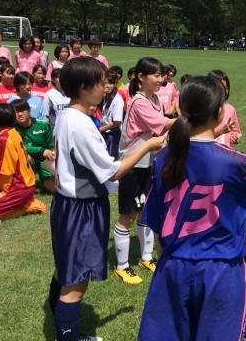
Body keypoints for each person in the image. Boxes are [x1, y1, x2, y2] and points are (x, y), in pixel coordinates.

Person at [137, 76, 246, 341]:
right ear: (219, 112)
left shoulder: (165, 158)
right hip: (222, 272)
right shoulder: (233, 163)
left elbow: (157, 222)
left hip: (173, 267)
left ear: (181, 111)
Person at [48, 57, 165, 341]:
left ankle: (61, 325)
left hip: (66, 205)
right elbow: (112, 173)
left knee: (64, 270)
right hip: (81, 209)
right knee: (76, 283)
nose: (107, 87)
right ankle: (69, 337)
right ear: (85, 87)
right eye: (101, 82)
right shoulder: (81, 125)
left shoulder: (67, 115)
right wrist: (147, 145)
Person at [113, 57, 174, 284]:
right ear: (141, 77)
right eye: (156, 75)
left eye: (162, 75)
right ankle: (121, 265)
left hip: (148, 163)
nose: (161, 79)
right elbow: (164, 124)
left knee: (145, 212)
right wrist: (191, 119)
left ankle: (145, 257)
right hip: (132, 165)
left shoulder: (156, 99)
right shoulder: (139, 102)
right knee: (127, 216)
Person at [0, 103, 46, 220]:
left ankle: (28, 206)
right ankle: (25, 201)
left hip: (20, 188)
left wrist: (4, 191)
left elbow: (7, 168)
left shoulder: (3, 139)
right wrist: (0, 187)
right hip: (24, 185)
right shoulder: (12, 131)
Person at [10, 98, 56, 194]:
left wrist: (53, 163)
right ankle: (24, 180)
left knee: (55, 189)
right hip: (29, 158)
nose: (20, 114)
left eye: (22, 110)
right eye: (16, 112)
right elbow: (19, 146)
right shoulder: (12, 129)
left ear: (29, 111)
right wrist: (40, 150)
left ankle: (46, 179)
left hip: (46, 160)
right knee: (23, 155)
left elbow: (53, 146)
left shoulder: (44, 125)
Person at [209, 69, 242, 146]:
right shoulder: (204, 110)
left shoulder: (231, 109)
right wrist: (221, 131)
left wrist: (234, 137)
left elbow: (236, 131)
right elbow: (201, 138)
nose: (223, 91)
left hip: (225, 154)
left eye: (225, 87)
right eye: (219, 87)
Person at [98, 72, 124, 160]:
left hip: (113, 135)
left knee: (111, 160)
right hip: (105, 133)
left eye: (111, 83)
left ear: (115, 84)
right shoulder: (105, 98)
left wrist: (102, 129)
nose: (108, 86)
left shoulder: (117, 100)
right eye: (105, 83)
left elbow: (117, 122)